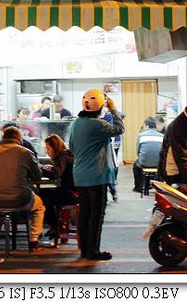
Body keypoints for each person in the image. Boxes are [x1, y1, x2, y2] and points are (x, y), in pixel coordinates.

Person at [69, 88, 124, 261]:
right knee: (96, 215)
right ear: (100, 108)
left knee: (84, 214)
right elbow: (120, 128)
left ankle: (84, 250)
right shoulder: (98, 125)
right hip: (97, 176)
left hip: (79, 175)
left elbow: (71, 147)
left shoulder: (75, 124)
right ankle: (94, 251)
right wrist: (113, 108)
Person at [0, 126, 45, 251]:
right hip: (20, 199)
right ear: (19, 138)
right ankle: (33, 240)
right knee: (39, 206)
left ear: (3, 137)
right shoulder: (26, 153)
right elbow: (37, 176)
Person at [38, 134, 77, 241]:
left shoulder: (62, 157)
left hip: (71, 193)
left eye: (48, 148)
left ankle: (55, 225)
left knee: (41, 197)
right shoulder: (67, 155)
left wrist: (41, 169)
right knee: (47, 194)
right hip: (75, 191)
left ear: (54, 147)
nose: (47, 151)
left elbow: (56, 174)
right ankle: (56, 225)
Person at [132, 117, 164, 192]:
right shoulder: (162, 136)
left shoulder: (141, 135)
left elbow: (138, 151)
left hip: (144, 162)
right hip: (159, 164)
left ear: (146, 125)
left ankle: (138, 187)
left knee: (135, 166)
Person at [102, 107, 122, 202]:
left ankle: (113, 193)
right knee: (109, 172)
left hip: (108, 146)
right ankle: (111, 193)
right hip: (105, 148)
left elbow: (117, 130)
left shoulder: (108, 116)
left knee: (110, 171)